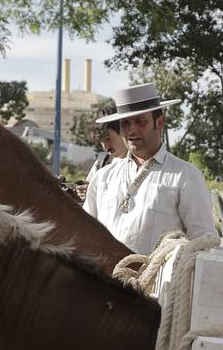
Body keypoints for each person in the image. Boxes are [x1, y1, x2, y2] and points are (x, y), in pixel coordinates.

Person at [84, 82, 216, 252]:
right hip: (104, 278)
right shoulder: (103, 177)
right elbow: (85, 234)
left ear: (159, 123)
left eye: (140, 122)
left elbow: (204, 242)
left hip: (160, 278)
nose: (131, 130)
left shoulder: (186, 175)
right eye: (125, 123)